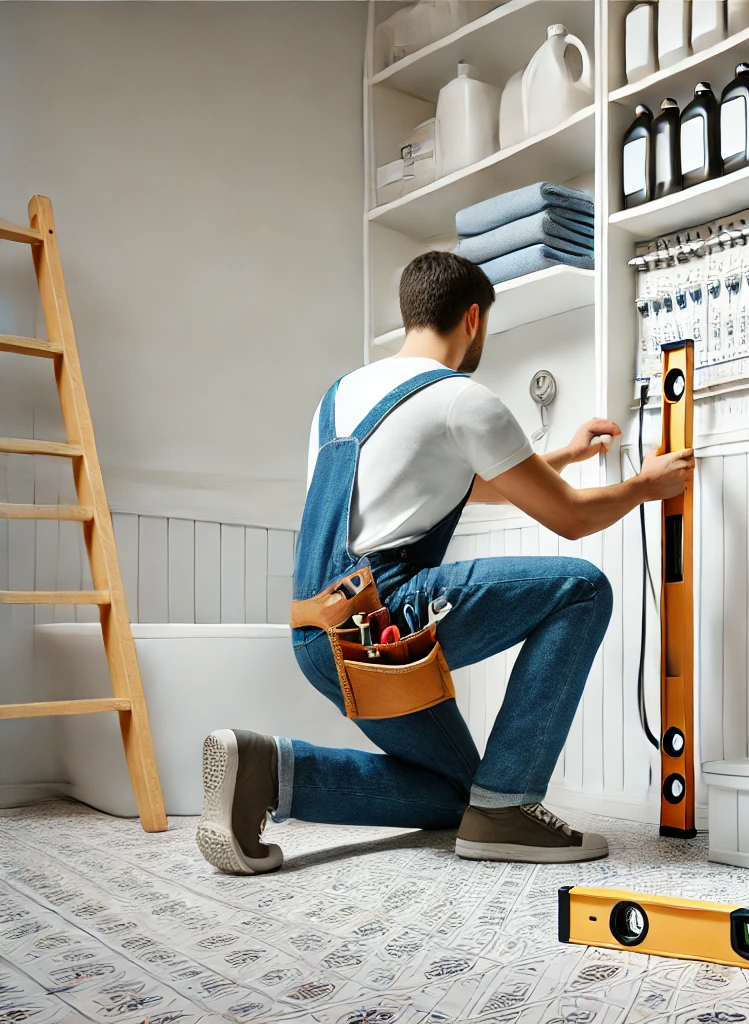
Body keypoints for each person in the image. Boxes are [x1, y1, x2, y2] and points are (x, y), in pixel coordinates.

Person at [194, 251, 693, 875]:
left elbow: (458, 483)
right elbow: (569, 517)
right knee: (582, 588)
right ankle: (509, 807)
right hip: (382, 625)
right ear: (473, 319)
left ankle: (268, 770)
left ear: (411, 313)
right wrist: (646, 486)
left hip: (318, 636)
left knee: (460, 797)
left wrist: (562, 456)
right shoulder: (460, 397)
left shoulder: (338, 397)